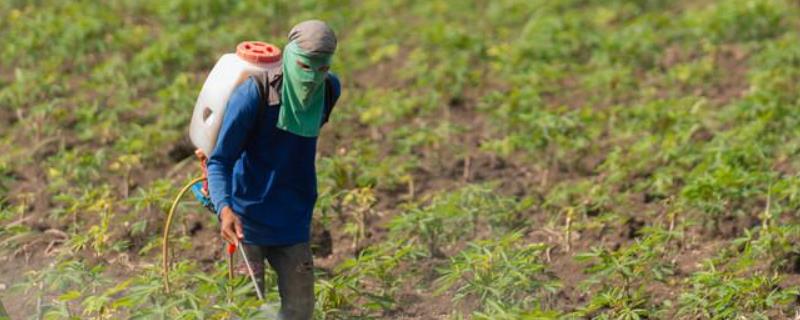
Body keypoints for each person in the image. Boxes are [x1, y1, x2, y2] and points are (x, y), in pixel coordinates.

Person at [207, 20, 340, 320]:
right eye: (305, 67)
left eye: (322, 69)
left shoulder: (330, 89)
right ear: (289, 57)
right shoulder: (254, 95)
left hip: (293, 219)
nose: (313, 78)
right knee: (246, 311)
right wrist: (224, 209)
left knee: (300, 311)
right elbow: (220, 160)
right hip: (246, 221)